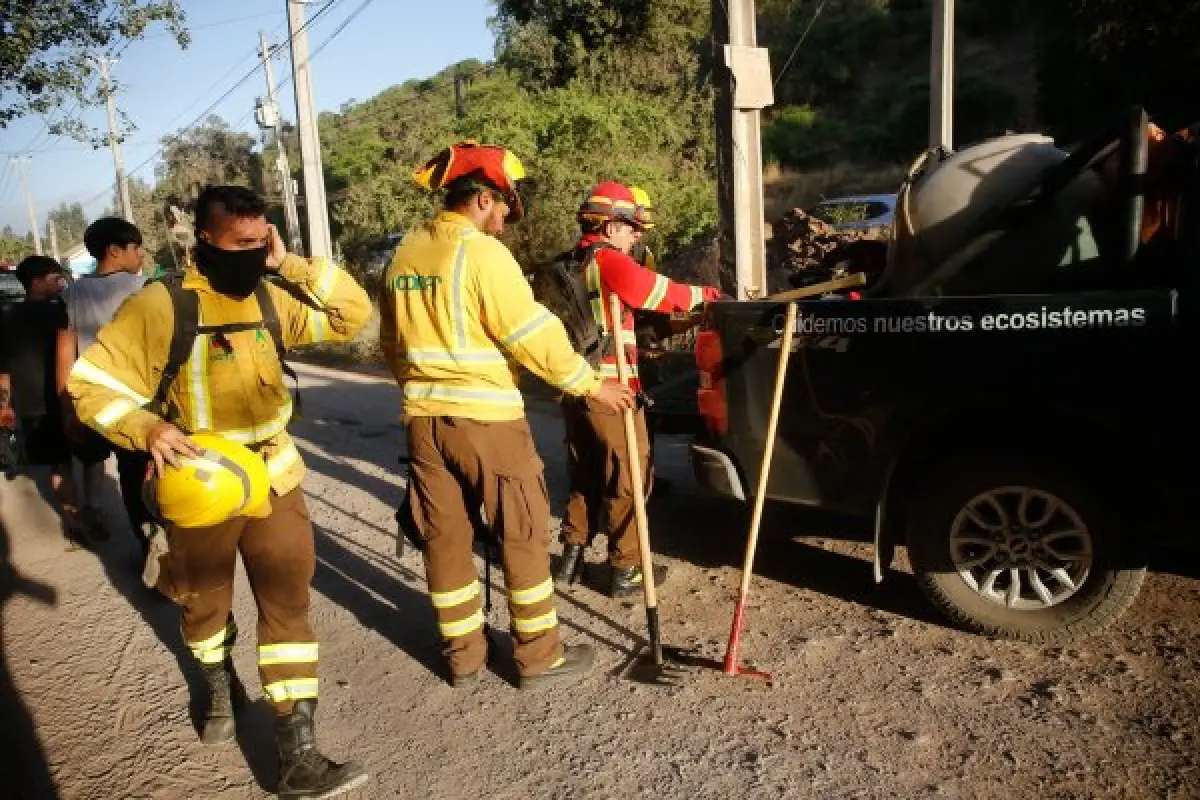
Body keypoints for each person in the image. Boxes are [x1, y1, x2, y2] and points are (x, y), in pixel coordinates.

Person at [67, 185, 372, 799]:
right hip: (199, 486)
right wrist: (147, 426)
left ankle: (299, 755)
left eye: (261, 241)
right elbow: (91, 384)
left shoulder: (268, 294)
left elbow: (352, 313)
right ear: (203, 239)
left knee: (288, 606)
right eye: (240, 244)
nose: (252, 253)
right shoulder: (162, 305)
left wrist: (286, 263)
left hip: (275, 480)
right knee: (203, 607)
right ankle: (217, 687)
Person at [381, 141, 635, 689]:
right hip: (487, 420)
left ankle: (464, 657)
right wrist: (590, 385)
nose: (502, 222)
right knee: (520, 532)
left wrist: (419, 394)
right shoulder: (481, 254)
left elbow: (392, 341)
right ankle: (539, 657)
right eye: (501, 208)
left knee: (445, 540)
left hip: (423, 421)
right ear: (479, 198)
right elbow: (529, 333)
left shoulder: (405, 253)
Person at [555, 181, 720, 597]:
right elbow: (663, 293)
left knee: (586, 475)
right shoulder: (610, 260)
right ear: (609, 226)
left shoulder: (572, 262)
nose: (638, 235)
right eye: (631, 227)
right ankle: (626, 569)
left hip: (578, 389)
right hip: (613, 393)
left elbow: (616, 322)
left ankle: (571, 558)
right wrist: (713, 296)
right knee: (630, 478)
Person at [59, 217, 152, 550]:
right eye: (136, 247)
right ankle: (150, 547)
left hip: (90, 398)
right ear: (114, 250)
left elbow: (64, 352)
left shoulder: (72, 293)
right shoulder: (147, 289)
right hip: (138, 402)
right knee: (137, 477)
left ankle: (93, 510)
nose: (141, 254)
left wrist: (67, 405)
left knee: (92, 459)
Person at [0, 255, 90, 544]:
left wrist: (5, 403)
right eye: (55, 278)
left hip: (32, 404)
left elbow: (3, 371)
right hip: (66, 399)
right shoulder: (62, 312)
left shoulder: (7, 317)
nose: (61, 282)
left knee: (59, 464)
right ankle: (81, 515)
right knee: (82, 459)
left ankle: (74, 519)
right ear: (36, 282)